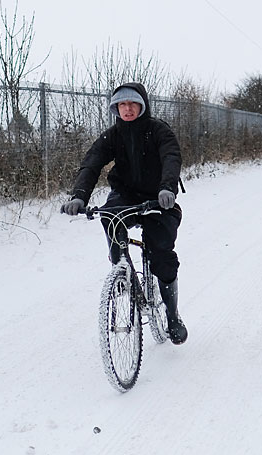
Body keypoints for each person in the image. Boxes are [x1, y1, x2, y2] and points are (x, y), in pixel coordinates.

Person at [61, 82, 187, 345]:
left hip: (158, 198)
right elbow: (92, 163)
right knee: (109, 215)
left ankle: (172, 315)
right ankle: (122, 270)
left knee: (161, 255)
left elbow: (171, 157)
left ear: (142, 105)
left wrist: (167, 188)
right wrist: (79, 196)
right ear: (115, 108)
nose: (127, 109)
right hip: (126, 195)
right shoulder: (113, 136)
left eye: (132, 104)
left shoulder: (158, 130)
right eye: (121, 105)